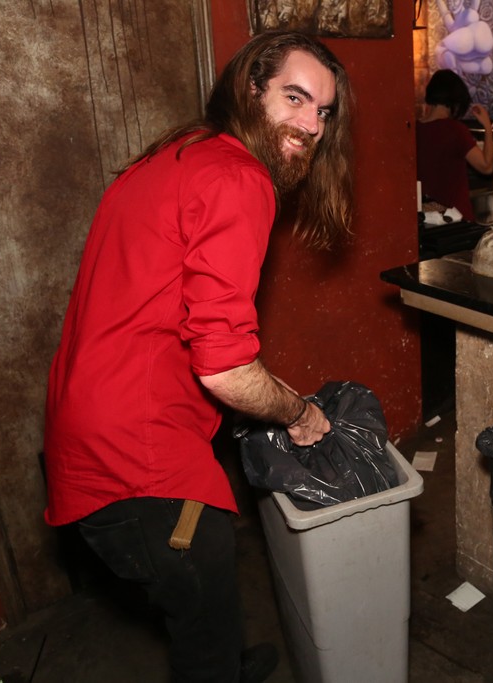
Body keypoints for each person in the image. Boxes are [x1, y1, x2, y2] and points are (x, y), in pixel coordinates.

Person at [43, 31, 354, 683]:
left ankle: (228, 662)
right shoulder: (240, 177)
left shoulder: (181, 153)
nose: (311, 125)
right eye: (295, 97)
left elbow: (186, 320)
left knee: (204, 607)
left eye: (323, 111)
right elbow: (225, 368)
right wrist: (299, 412)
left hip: (94, 428)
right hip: (138, 458)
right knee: (202, 626)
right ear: (251, 89)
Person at [416, 69, 493, 221]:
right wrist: (487, 127)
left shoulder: (414, 129)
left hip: (426, 219)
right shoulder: (456, 130)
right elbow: (487, 167)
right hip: (456, 220)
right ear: (456, 102)